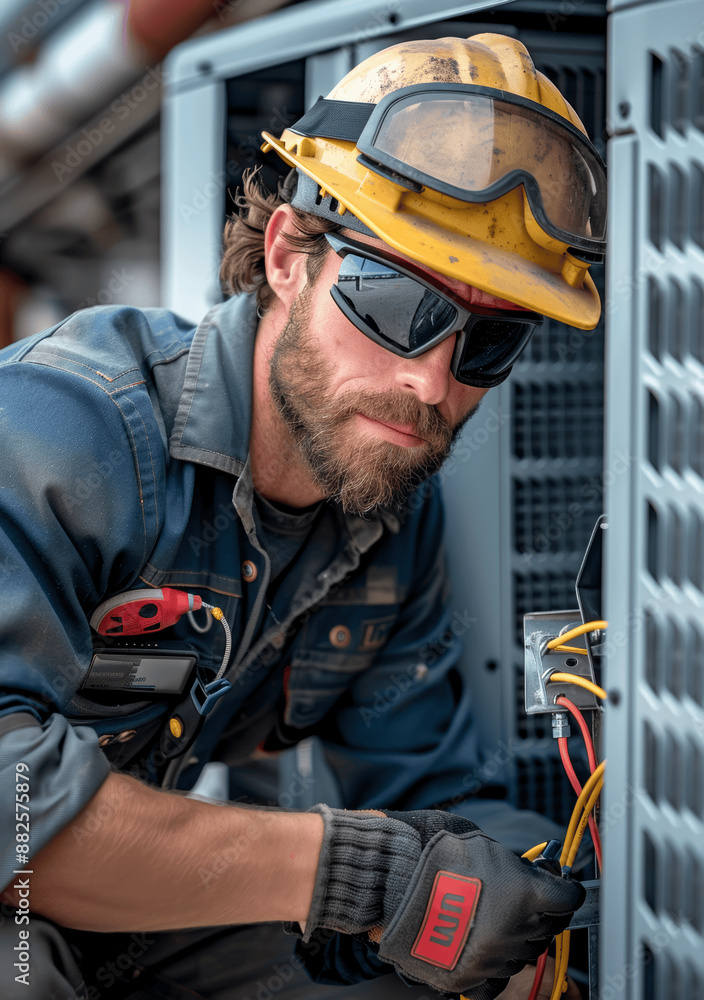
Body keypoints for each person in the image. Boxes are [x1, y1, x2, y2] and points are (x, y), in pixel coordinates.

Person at [0, 31, 604, 1000]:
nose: (428, 380)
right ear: (287, 253)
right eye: (392, 300)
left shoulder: (386, 518)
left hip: (100, 907)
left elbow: (427, 795)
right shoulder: (64, 428)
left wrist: (530, 900)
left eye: (488, 342)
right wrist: (358, 876)